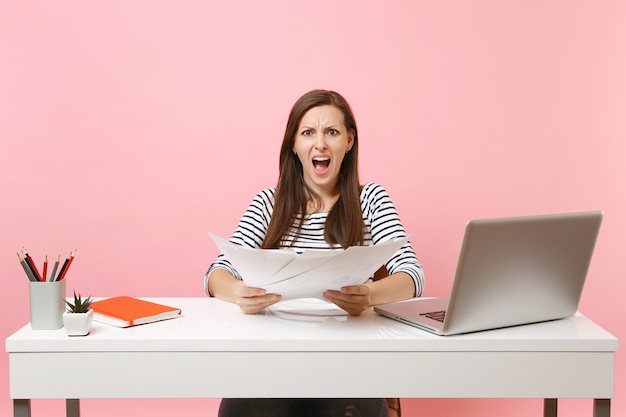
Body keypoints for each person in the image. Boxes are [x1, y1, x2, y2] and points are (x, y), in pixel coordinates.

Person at [205, 89, 424, 417]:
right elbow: (216, 274)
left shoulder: (372, 201)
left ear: (349, 141)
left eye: (331, 132)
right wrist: (239, 292)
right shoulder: (269, 203)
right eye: (308, 133)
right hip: (273, 361)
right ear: (294, 145)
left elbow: (412, 276)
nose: (320, 144)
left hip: (349, 363)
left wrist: (369, 295)